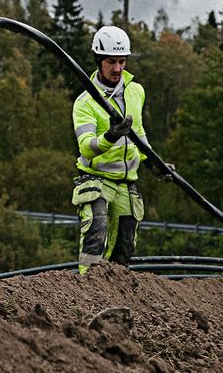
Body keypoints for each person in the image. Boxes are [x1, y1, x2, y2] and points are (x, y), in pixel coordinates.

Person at [71, 25, 148, 273]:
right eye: (111, 62)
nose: (117, 69)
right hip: (96, 180)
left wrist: (153, 162)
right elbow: (87, 147)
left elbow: (140, 133)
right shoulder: (85, 102)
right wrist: (110, 136)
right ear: (98, 61)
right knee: (96, 233)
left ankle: (115, 298)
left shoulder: (135, 92)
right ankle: (87, 292)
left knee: (125, 248)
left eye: (122, 62)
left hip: (126, 182)